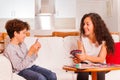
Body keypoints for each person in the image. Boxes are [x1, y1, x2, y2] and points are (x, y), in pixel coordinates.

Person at [72, 13, 115, 80]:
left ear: (95, 25)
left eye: (87, 24)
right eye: (84, 24)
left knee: (99, 71)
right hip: (86, 64)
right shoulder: (81, 38)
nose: (84, 26)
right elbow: (82, 57)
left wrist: (85, 57)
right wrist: (78, 59)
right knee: (83, 70)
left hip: (100, 65)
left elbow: (101, 59)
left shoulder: (104, 39)